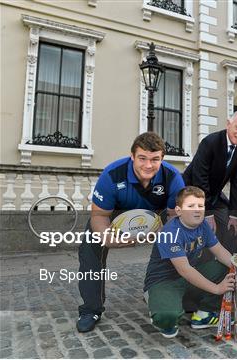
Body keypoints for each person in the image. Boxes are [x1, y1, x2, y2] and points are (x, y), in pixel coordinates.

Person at [77, 132, 185, 333]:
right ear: (132, 156)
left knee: (179, 238)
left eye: (155, 160)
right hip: (116, 215)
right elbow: (99, 217)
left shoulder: (173, 178)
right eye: (142, 158)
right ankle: (91, 309)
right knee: (90, 243)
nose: (148, 165)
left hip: (155, 214)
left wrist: (163, 234)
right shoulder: (112, 175)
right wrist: (114, 240)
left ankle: (168, 295)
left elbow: (174, 216)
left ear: (162, 159)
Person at [143, 186, 235, 338]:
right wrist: (217, 289)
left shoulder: (203, 225)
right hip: (163, 281)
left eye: (200, 206)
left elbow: (219, 251)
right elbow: (184, 269)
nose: (197, 210)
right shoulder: (170, 232)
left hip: (186, 279)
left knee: (227, 268)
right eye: (191, 206)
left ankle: (204, 314)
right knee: (167, 319)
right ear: (179, 211)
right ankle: (156, 301)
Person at [183, 111, 237, 254]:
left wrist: (234, 215)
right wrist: (207, 214)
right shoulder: (210, 142)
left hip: (214, 195)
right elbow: (199, 179)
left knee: (232, 227)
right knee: (204, 228)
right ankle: (200, 266)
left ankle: (231, 268)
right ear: (228, 124)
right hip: (190, 192)